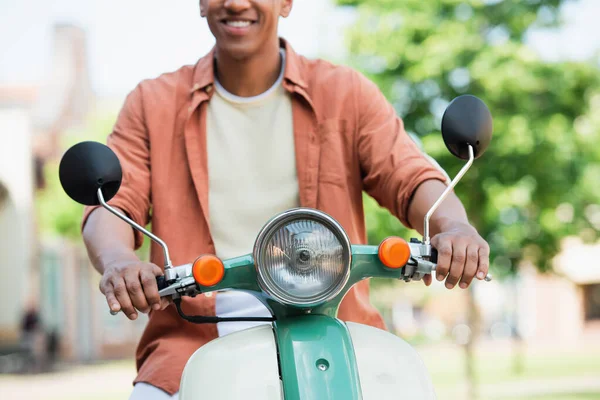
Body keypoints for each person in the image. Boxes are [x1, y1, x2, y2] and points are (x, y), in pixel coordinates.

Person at [81, 1, 490, 399]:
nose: (237, 4)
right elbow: (114, 202)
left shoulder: (345, 92)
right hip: (191, 339)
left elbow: (409, 174)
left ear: (287, 3)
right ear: (202, 3)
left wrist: (453, 226)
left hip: (335, 326)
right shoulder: (152, 103)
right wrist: (119, 260)